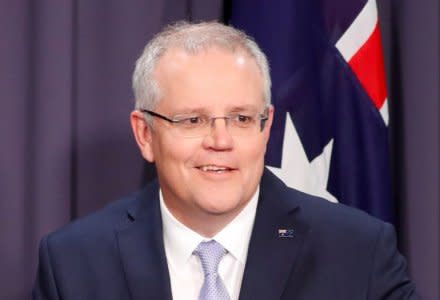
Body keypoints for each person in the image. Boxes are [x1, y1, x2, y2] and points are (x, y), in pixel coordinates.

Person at [33, 21, 418, 300]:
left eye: (241, 118)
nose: (221, 141)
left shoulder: (358, 252)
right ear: (145, 134)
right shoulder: (73, 263)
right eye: (193, 120)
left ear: (266, 130)